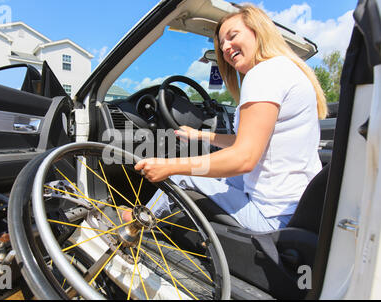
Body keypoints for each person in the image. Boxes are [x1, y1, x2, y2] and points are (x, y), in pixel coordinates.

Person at [129, 4, 327, 232]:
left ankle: (135, 226)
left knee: (182, 178)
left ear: (258, 31)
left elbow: (244, 158)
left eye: (233, 36)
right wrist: (201, 135)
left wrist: (170, 165)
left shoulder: (263, 74)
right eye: (222, 44)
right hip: (294, 207)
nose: (226, 48)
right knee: (224, 180)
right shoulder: (284, 69)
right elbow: (249, 142)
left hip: (271, 216)